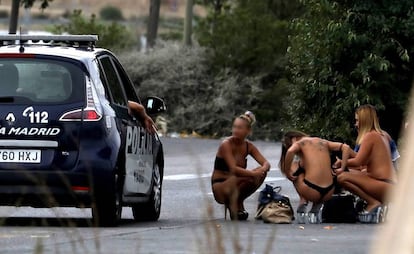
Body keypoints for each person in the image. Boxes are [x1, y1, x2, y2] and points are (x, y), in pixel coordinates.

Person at [334, 105, 396, 222]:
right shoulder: (383, 135)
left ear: (364, 120)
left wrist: (341, 163)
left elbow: (358, 162)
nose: (355, 124)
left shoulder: (370, 136)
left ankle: (373, 202)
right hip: (389, 184)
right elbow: (362, 161)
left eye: (357, 120)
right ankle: (377, 202)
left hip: (383, 185)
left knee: (342, 177)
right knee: (350, 173)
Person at [211, 111, 271, 220]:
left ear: (248, 131)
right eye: (234, 127)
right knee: (250, 175)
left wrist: (262, 169)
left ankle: (238, 201)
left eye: (239, 128)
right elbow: (233, 169)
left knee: (260, 174)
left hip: (235, 181)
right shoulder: (226, 144)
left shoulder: (249, 146)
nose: (235, 130)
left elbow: (266, 163)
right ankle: (232, 203)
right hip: (221, 186)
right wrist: (253, 174)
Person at [279, 131, 349, 219]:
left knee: (294, 167)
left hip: (311, 190)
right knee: (307, 168)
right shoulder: (323, 142)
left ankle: (303, 200)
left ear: (294, 139)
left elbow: (290, 151)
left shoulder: (300, 143)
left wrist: (287, 172)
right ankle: (317, 204)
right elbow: (346, 147)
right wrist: (342, 167)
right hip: (329, 191)